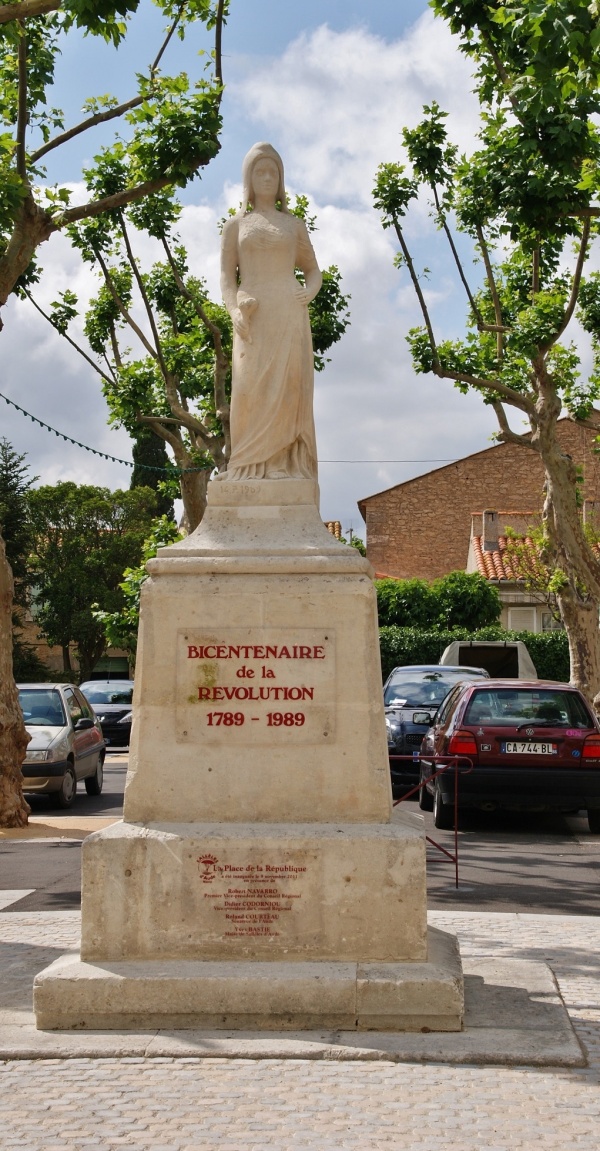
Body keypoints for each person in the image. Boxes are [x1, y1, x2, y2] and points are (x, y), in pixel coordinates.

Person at [219, 142, 322, 481]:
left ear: (281, 179)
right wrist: (234, 310)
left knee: (286, 388)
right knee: (249, 390)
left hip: (289, 312)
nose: (266, 177)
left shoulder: (294, 225)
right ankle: (246, 465)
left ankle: (280, 462)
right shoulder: (236, 225)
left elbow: (312, 269)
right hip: (253, 316)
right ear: (248, 178)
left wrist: (310, 291)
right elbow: (226, 276)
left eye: (272, 172)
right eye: (259, 171)